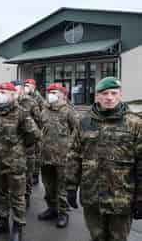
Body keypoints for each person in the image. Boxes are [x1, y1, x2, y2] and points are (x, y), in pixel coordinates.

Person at [67, 77, 142, 241]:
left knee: (118, 238)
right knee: (96, 236)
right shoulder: (84, 122)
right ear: (97, 96)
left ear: (120, 95)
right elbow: (74, 155)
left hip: (121, 198)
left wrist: (140, 198)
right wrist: (71, 186)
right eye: (104, 93)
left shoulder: (135, 123)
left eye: (113, 93)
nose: (109, 97)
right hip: (92, 197)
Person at [0, 82, 41, 241]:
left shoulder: (21, 113)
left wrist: (20, 148)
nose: (0, 94)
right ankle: (2, 222)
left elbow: (35, 135)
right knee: (0, 194)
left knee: (17, 196)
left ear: (12, 94)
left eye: (3, 91)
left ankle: (18, 226)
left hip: (15, 163)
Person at [37, 83, 79, 228]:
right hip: (46, 156)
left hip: (63, 157)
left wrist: (69, 148)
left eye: (54, 92)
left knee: (62, 188)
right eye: (49, 92)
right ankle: (52, 209)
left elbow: (77, 131)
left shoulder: (69, 111)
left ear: (63, 94)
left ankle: (63, 213)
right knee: (48, 186)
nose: (50, 94)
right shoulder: (44, 111)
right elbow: (40, 129)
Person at [11, 79, 43, 208]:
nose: (13, 91)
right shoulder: (10, 102)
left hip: (28, 145)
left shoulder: (31, 102)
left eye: (16, 89)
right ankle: (16, 196)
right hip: (13, 146)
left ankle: (26, 196)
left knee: (27, 172)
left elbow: (39, 122)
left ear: (22, 89)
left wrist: (31, 142)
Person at [24, 79, 47, 185]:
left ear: (34, 86)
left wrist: (39, 129)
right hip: (26, 130)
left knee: (37, 154)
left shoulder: (39, 98)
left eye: (28, 85)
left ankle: (35, 175)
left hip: (36, 129)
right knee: (28, 154)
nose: (26, 87)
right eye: (25, 85)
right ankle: (28, 173)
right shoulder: (24, 97)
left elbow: (42, 115)